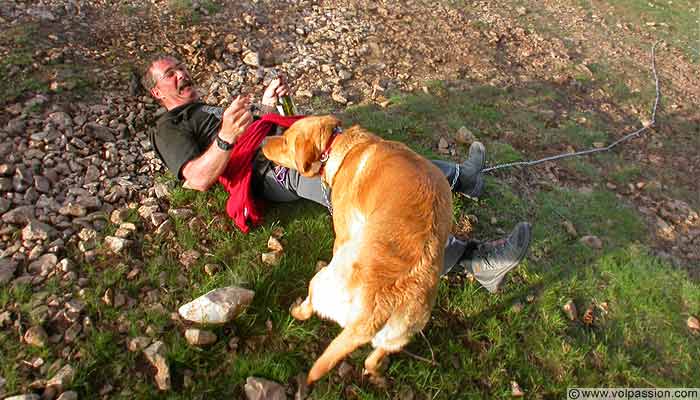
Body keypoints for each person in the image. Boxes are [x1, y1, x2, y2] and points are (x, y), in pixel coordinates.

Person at [143, 55, 532, 293]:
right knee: (356, 188)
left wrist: (267, 104)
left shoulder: (204, 108)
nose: (180, 74)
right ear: (158, 93)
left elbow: (256, 127)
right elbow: (196, 178)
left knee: (376, 151)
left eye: (180, 68)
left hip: (291, 140)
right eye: (169, 74)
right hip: (274, 168)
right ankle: (475, 261)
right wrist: (227, 136)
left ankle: (462, 179)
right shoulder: (168, 127)